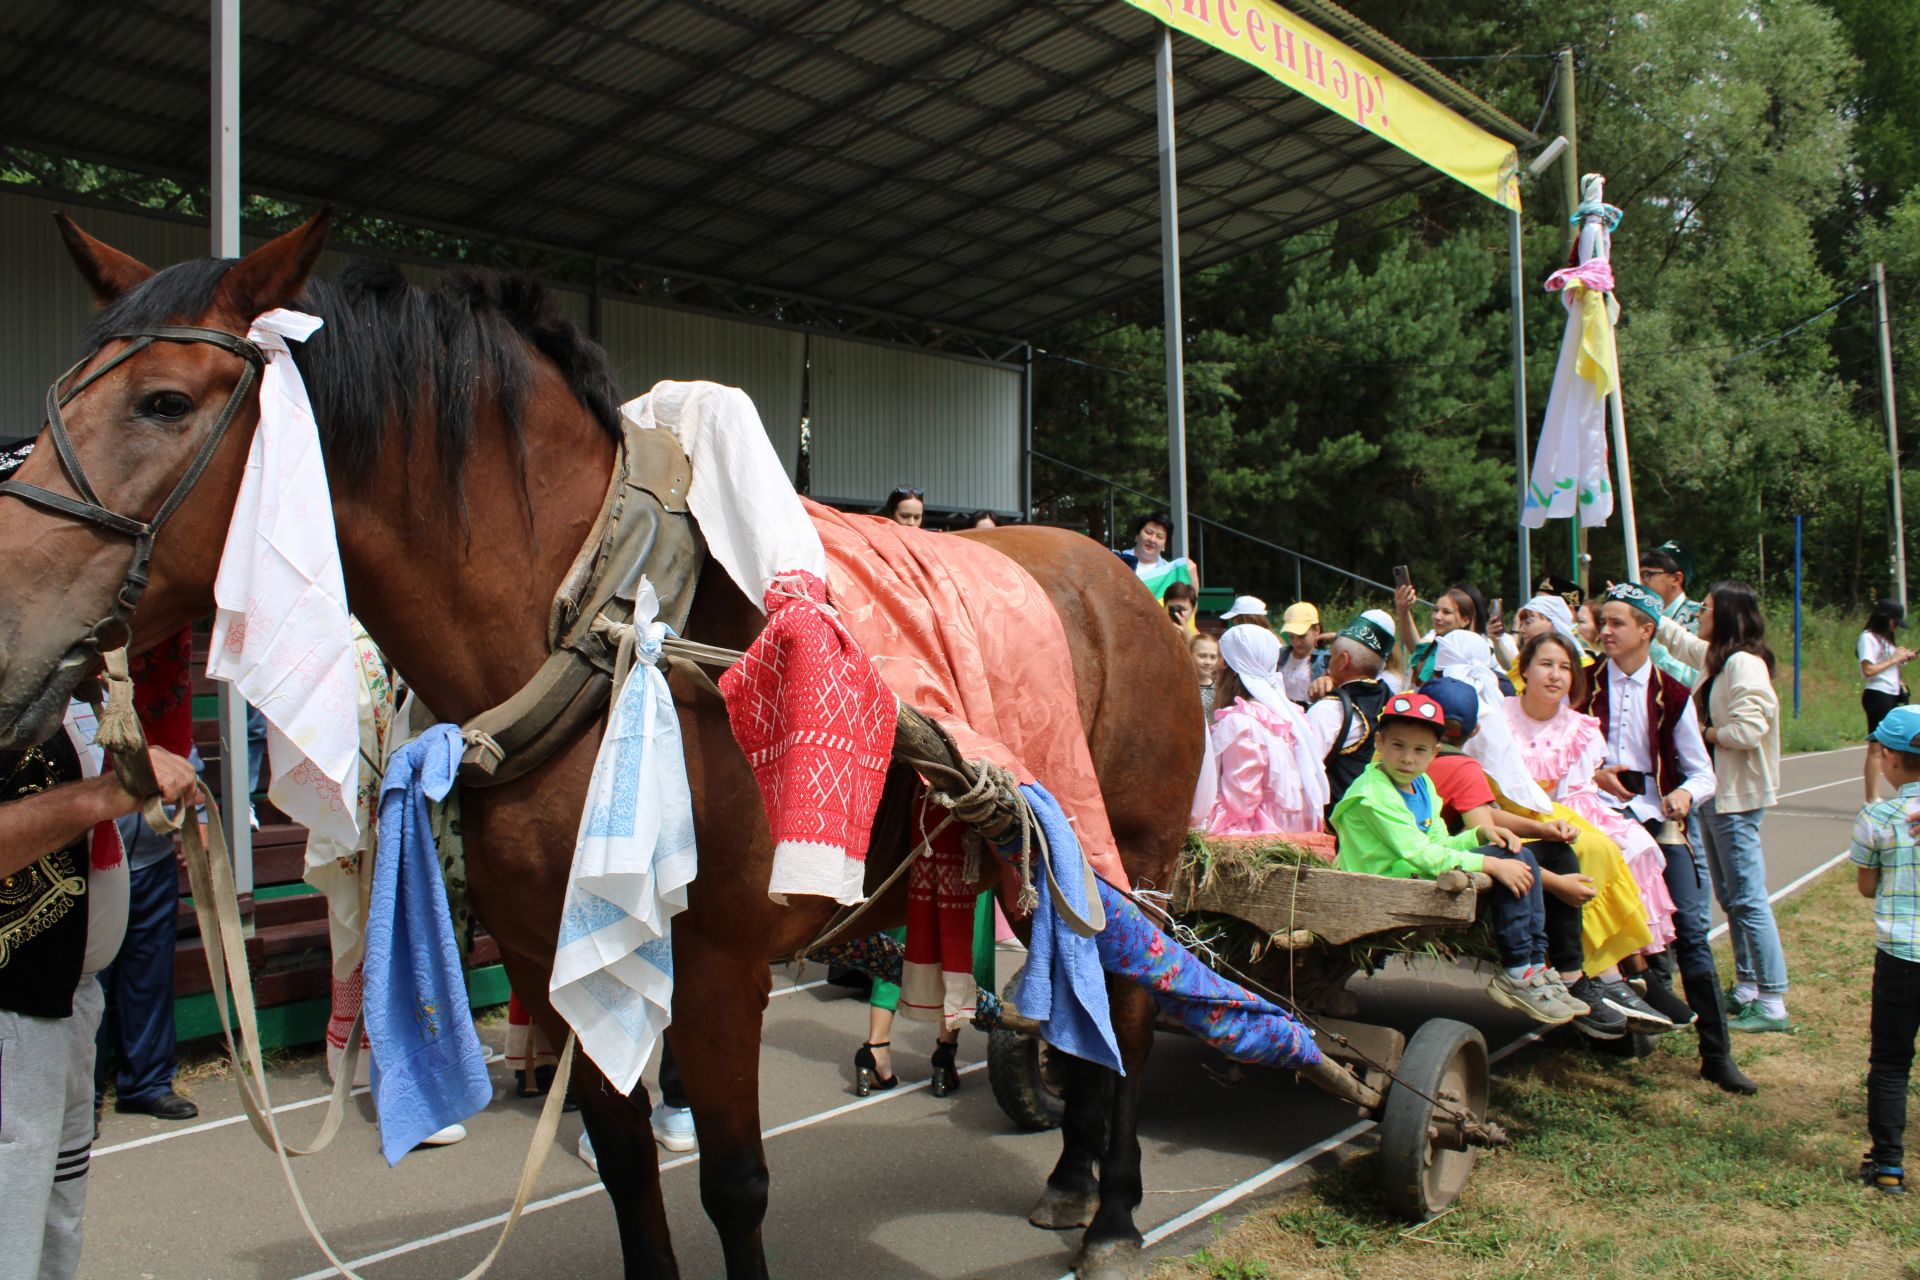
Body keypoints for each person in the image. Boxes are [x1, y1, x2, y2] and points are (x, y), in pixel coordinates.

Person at [0, 706, 197, 1280]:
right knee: (13, 1228)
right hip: (14, 1013)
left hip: (64, 999)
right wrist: (104, 795)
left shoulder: (60, 687)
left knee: (52, 1226)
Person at [1585, 582, 1756, 1094]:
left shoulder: (1673, 694)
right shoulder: (1582, 682)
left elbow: (1703, 774)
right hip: (1597, 815)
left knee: (1691, 928)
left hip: (1655, 815)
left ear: (1646, 630)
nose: (1606, 631)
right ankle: (1623, 1020)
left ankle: (1716, 1053)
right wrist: (1593, 776)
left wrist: (1683, 796)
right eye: (1603, 622)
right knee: (1606, 916)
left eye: (1617, 623)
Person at [1329, 691, 1580, 1025]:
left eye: (1419, 750)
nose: (1407, 758)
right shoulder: (1372, 794)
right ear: (1379, 742)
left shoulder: (1422, 786)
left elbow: (1439, 842)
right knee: (1506, 860)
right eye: (1398, 746)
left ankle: (1533, 962)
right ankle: (1518, 966)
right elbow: (1418, 853)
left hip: (1411, 870)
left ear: (1434, 752)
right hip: (1384, 878)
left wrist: (1478, 836)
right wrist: (1489, 863)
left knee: (1518, 852)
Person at [1419, 677, 1631, 1039]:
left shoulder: (1417, 757)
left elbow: (1481, 813)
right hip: (1454, 861)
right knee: (1558, 859)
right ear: (1474, 729)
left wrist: (1543, 830)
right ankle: (1561, 973)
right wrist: (1559, 885)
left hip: (1445, 846)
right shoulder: (1464, 767)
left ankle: (1555, 971)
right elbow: (1490, 834)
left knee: (1551, 848)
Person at [1499, 634, 1678, 1034]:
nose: (1556, 675)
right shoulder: (1499, 715)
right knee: (1589, 850)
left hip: (1563, 813)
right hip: (1511, 815)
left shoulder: (1579, 727)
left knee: (1635, 846)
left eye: (1565, 667)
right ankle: (1607, 977)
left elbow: (1576, 795)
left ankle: (1629, 973)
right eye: (1546, 664)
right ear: (1524, 669)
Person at [1655, 581, 1788, 1032]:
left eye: (1706, 610)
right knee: (1731, 896)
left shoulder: (1745, 664)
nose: (1699, 617)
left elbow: (1749, 728)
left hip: (1736, 798)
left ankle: (1773, 1000)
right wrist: (1651, 616)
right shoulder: (1719, 658)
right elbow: (1684, 643)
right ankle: (1748, 985)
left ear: (1727, 615)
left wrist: (1706, 731)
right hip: (1717, 795)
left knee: (1748, 897)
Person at [93, 629, 199, 1121]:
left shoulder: (162, 678)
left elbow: (180, 751)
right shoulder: (80, 678)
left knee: (149, 971)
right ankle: (82, 1093)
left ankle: (148, 1083)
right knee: (91, 976)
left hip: (150, 849)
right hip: (95, 856)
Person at [1852, 704, 1920, 1195]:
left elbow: (1866, 885)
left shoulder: (1879, 815)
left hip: (1900, 954)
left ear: (1890, 759)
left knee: (1892, 1060)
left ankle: (1889, 1165)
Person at [1194, 626, 1329, 837]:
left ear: (1232, 669)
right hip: (1293, 833)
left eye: (1221, 657)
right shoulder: (1289, 715)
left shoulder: (1241, 723)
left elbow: (1240, 803)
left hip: (1258, 836)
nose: (1215, 666)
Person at [1302, 612, 1396, 812]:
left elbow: (1302, 775)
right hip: (1382, 817)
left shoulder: (1329, 709)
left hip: (1338, 829)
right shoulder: (1395, 700)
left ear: (1343, 660)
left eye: (1331, 658)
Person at [1861, 599, 1914, 803]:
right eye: (1894, 622)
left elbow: (1889, 666)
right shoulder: (1868, 638)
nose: (1895, 627)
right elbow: (1868, 670)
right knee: (1876, 747)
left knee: (1890, 746)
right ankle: (1871, 798)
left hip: (1891, 692)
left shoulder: (1886, 639)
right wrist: (1894, 659)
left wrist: (1902, 658)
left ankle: (1878, 794)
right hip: (1877, 694)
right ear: (1884, 619)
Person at [1396, 581, 1486, 684]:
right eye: (1435, 610)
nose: (1437, 617)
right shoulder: (1430, 646)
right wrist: (1403, 610)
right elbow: (1415, 647)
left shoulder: (1469, 655)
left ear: (1465, 620)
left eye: (1446, 612)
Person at [1641, 542, 1702, 687]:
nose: (1640, 582)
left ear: (1676, 579)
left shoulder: (1700, 618)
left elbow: (1696, 678)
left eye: (1648, 575)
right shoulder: (1639, 618)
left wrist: (1654, 650)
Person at [1114, 512, 1197, 601]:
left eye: (1159, 536)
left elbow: (1188, 607)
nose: (1152, 539)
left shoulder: (1169, 574)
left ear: (1165, 545)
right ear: (1136, 535)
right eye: (1148, 532)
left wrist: (1193, 581)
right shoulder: (1116, 561)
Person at [1278, 602, 1324, 704]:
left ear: (1317, 630)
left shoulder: (1325, 659)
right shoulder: (1281, 654)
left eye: (1302, 636)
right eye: (1291, 637)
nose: (1296, 642)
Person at [1191, 632, 1221, 717]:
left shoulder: (1220, 690)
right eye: (1202, 656)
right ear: (1190, 655)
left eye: (1213, 657)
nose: (1208, 662)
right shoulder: (1183, 687)